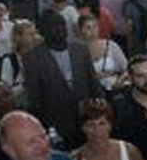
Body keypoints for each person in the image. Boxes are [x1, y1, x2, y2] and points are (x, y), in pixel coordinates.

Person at [23, 10, 104, 149]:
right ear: (42, 31)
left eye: (62, 24)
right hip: (56, 123)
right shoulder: (32, 59)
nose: (60, 29)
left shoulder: (80, 49)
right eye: (53, 26)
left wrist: (100, 108)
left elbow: (93, 82)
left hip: (86, 119)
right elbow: (35, 98)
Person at [82, 14, 129, 93]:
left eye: (95, 27)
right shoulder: (79, 51)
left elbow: (126, 68)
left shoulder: (111, 45)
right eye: (88, 28)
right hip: (93, 92)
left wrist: (120, 81)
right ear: (81, 30)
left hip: (116, 88)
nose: (93, 31)